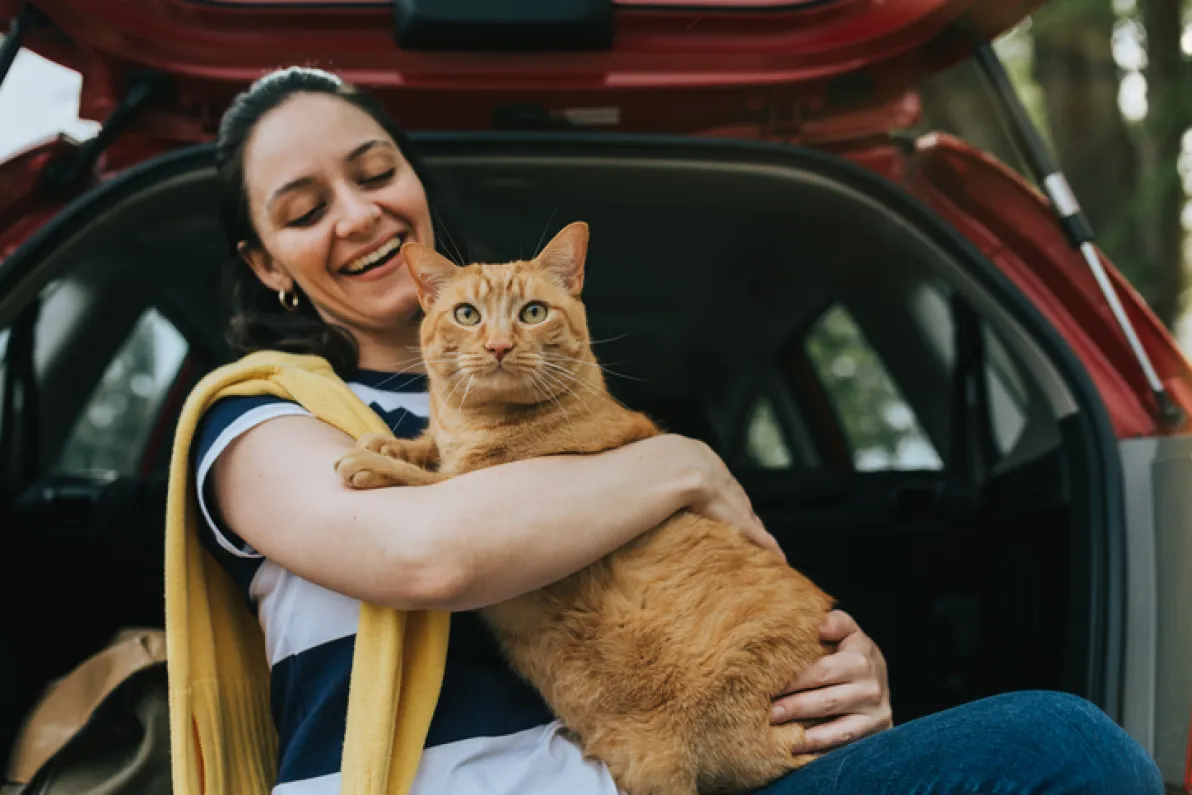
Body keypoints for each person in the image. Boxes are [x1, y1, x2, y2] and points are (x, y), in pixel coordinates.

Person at [188, 65, 1163, 795]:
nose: (358, 215)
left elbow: (714, 579)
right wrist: (683, 462)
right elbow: (426, 552)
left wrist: (831, 666)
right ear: (265, 261)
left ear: (416, 185)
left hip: (655, 771)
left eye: (375, 172)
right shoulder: (263, 415)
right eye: (306, 208)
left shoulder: (596, 416)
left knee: (1061, 747)